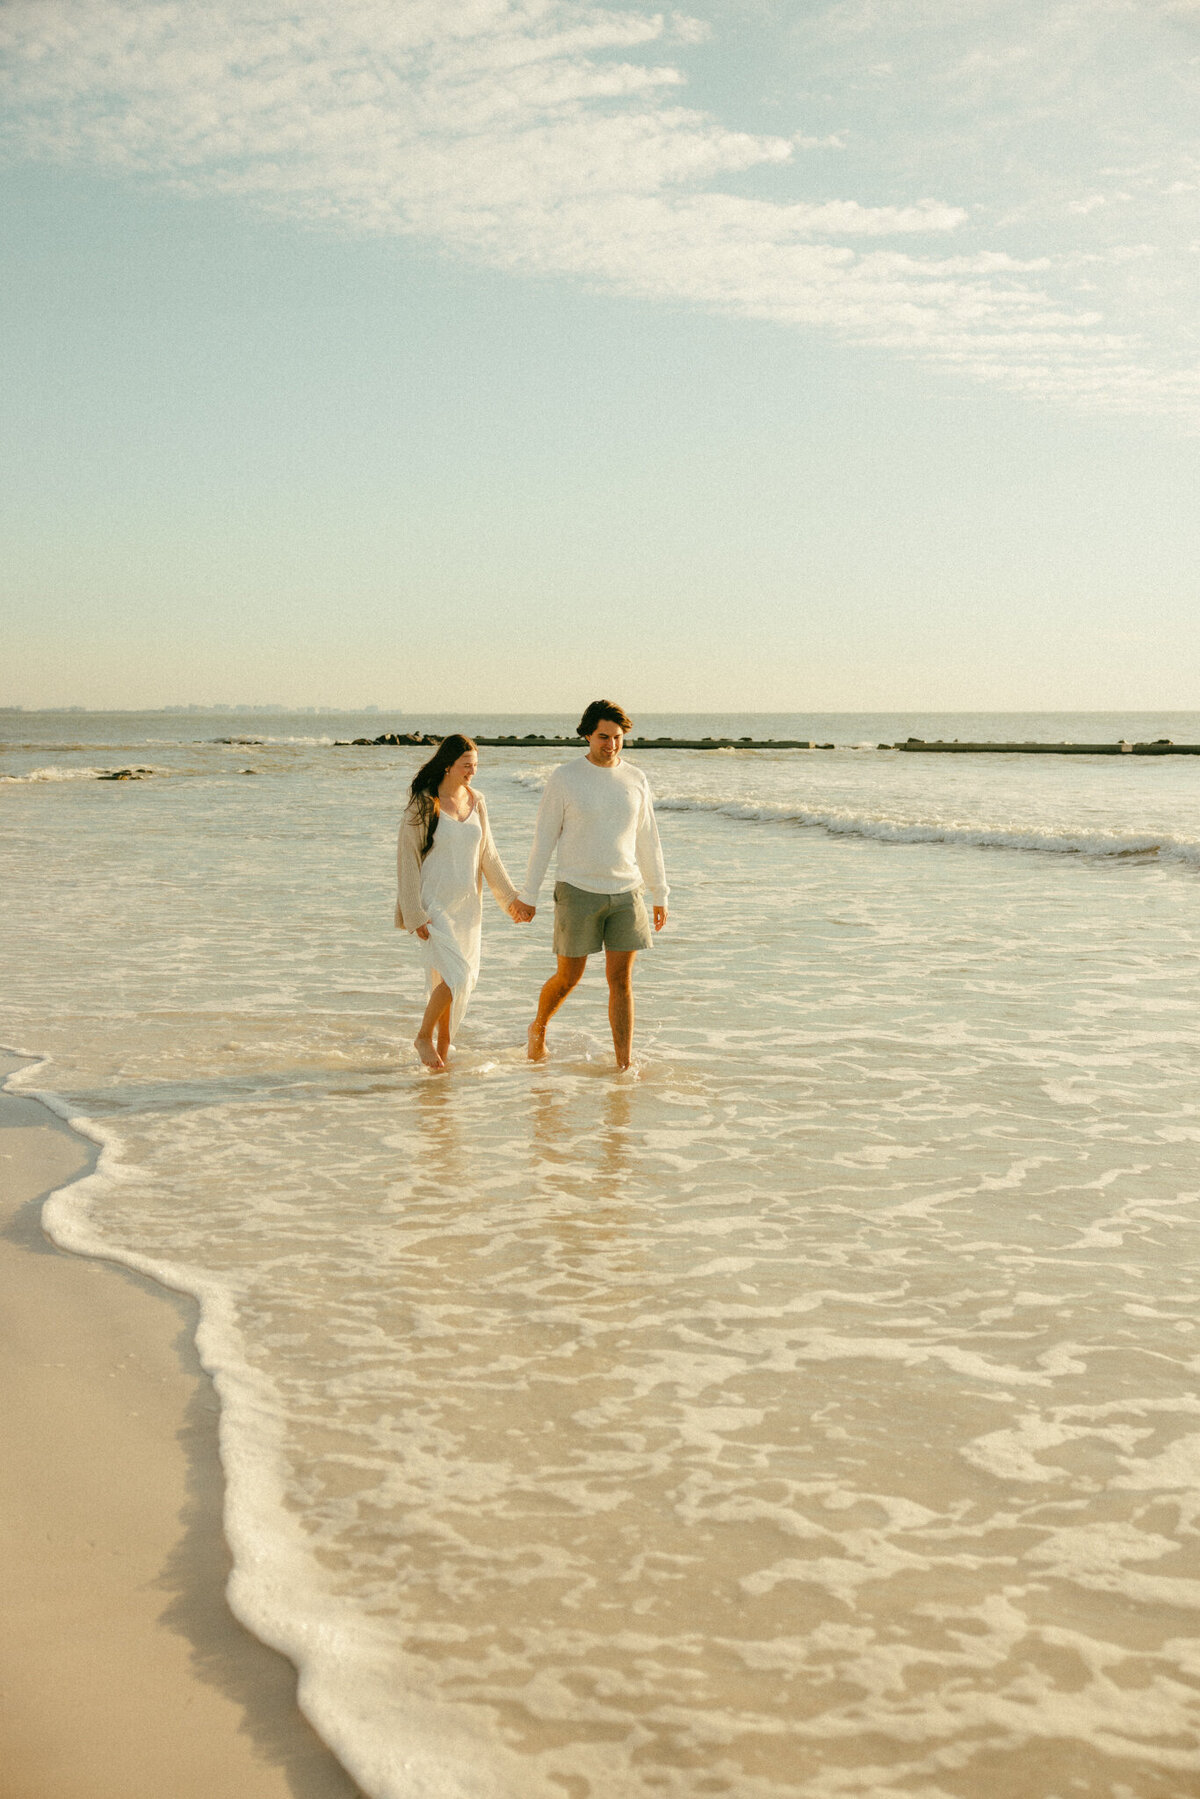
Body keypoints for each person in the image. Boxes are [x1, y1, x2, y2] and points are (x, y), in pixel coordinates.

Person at [518, 700, 668, 1071]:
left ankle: (623, 1064)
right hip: (577, 890)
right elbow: (544, 839)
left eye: (618, 738)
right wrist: (528, 895)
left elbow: (648, 838)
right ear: (587, 734)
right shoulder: (565, 777)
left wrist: (659, 892)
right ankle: (538, 1028)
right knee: (569, 978)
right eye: (603, 737)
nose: (611, 745)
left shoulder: (636, 778)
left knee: (621, 981)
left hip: (627, 891)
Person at [396, 735, 526, 1070]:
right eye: (466, 765)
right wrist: (414, 913)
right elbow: (407, 860)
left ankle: (442, 1053)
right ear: (448, 764)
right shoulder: (424, 804)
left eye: (475, 765)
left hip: (468, 906)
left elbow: (489, 856)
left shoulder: (477, 801)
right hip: (434, 904)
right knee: (458, 975)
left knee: (453, 982)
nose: (472, 771)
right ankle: (423, 1037)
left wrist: (512, 900)